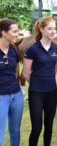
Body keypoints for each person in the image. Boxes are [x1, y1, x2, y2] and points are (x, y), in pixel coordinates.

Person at [22, 17, 57, 146]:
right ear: (41, 29)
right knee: (37, 128)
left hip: (51, 92)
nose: (53, 31)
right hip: (36, 93)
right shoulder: (32, 48)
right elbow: (25, 73)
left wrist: (47, 79)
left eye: (54, 28)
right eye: (50, 29)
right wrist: (36, 83)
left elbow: (55, 68)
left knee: (49, 127)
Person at [0, 18, 24, 146]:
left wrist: (16, 89)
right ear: (4, 32)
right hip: (1, 97)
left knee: (15, 131)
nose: (17, 34)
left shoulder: (14, 49)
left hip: (16, 96)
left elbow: (16, 70)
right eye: (14, 32)